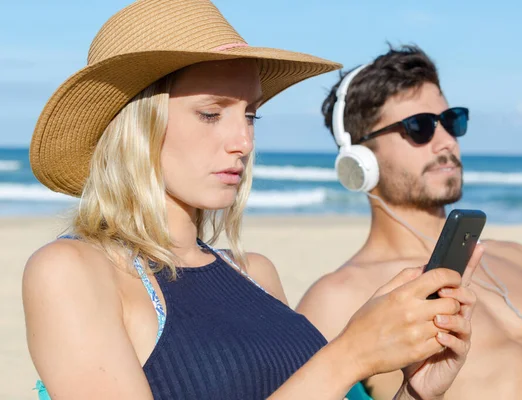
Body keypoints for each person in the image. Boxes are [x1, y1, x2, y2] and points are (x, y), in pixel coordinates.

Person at [22, 2, 483, 399]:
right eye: (210, 114)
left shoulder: (254, 273)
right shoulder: (73, 270)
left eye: (250, 114)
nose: (242, 140)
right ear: (135, 129)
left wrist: (418, 390)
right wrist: (350, 355)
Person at [296, 44, 522, 399]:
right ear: (360, 159)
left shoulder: (516, 258)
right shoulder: (338, 296)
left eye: (451, 121)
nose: (445, 142)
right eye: (420, 127)